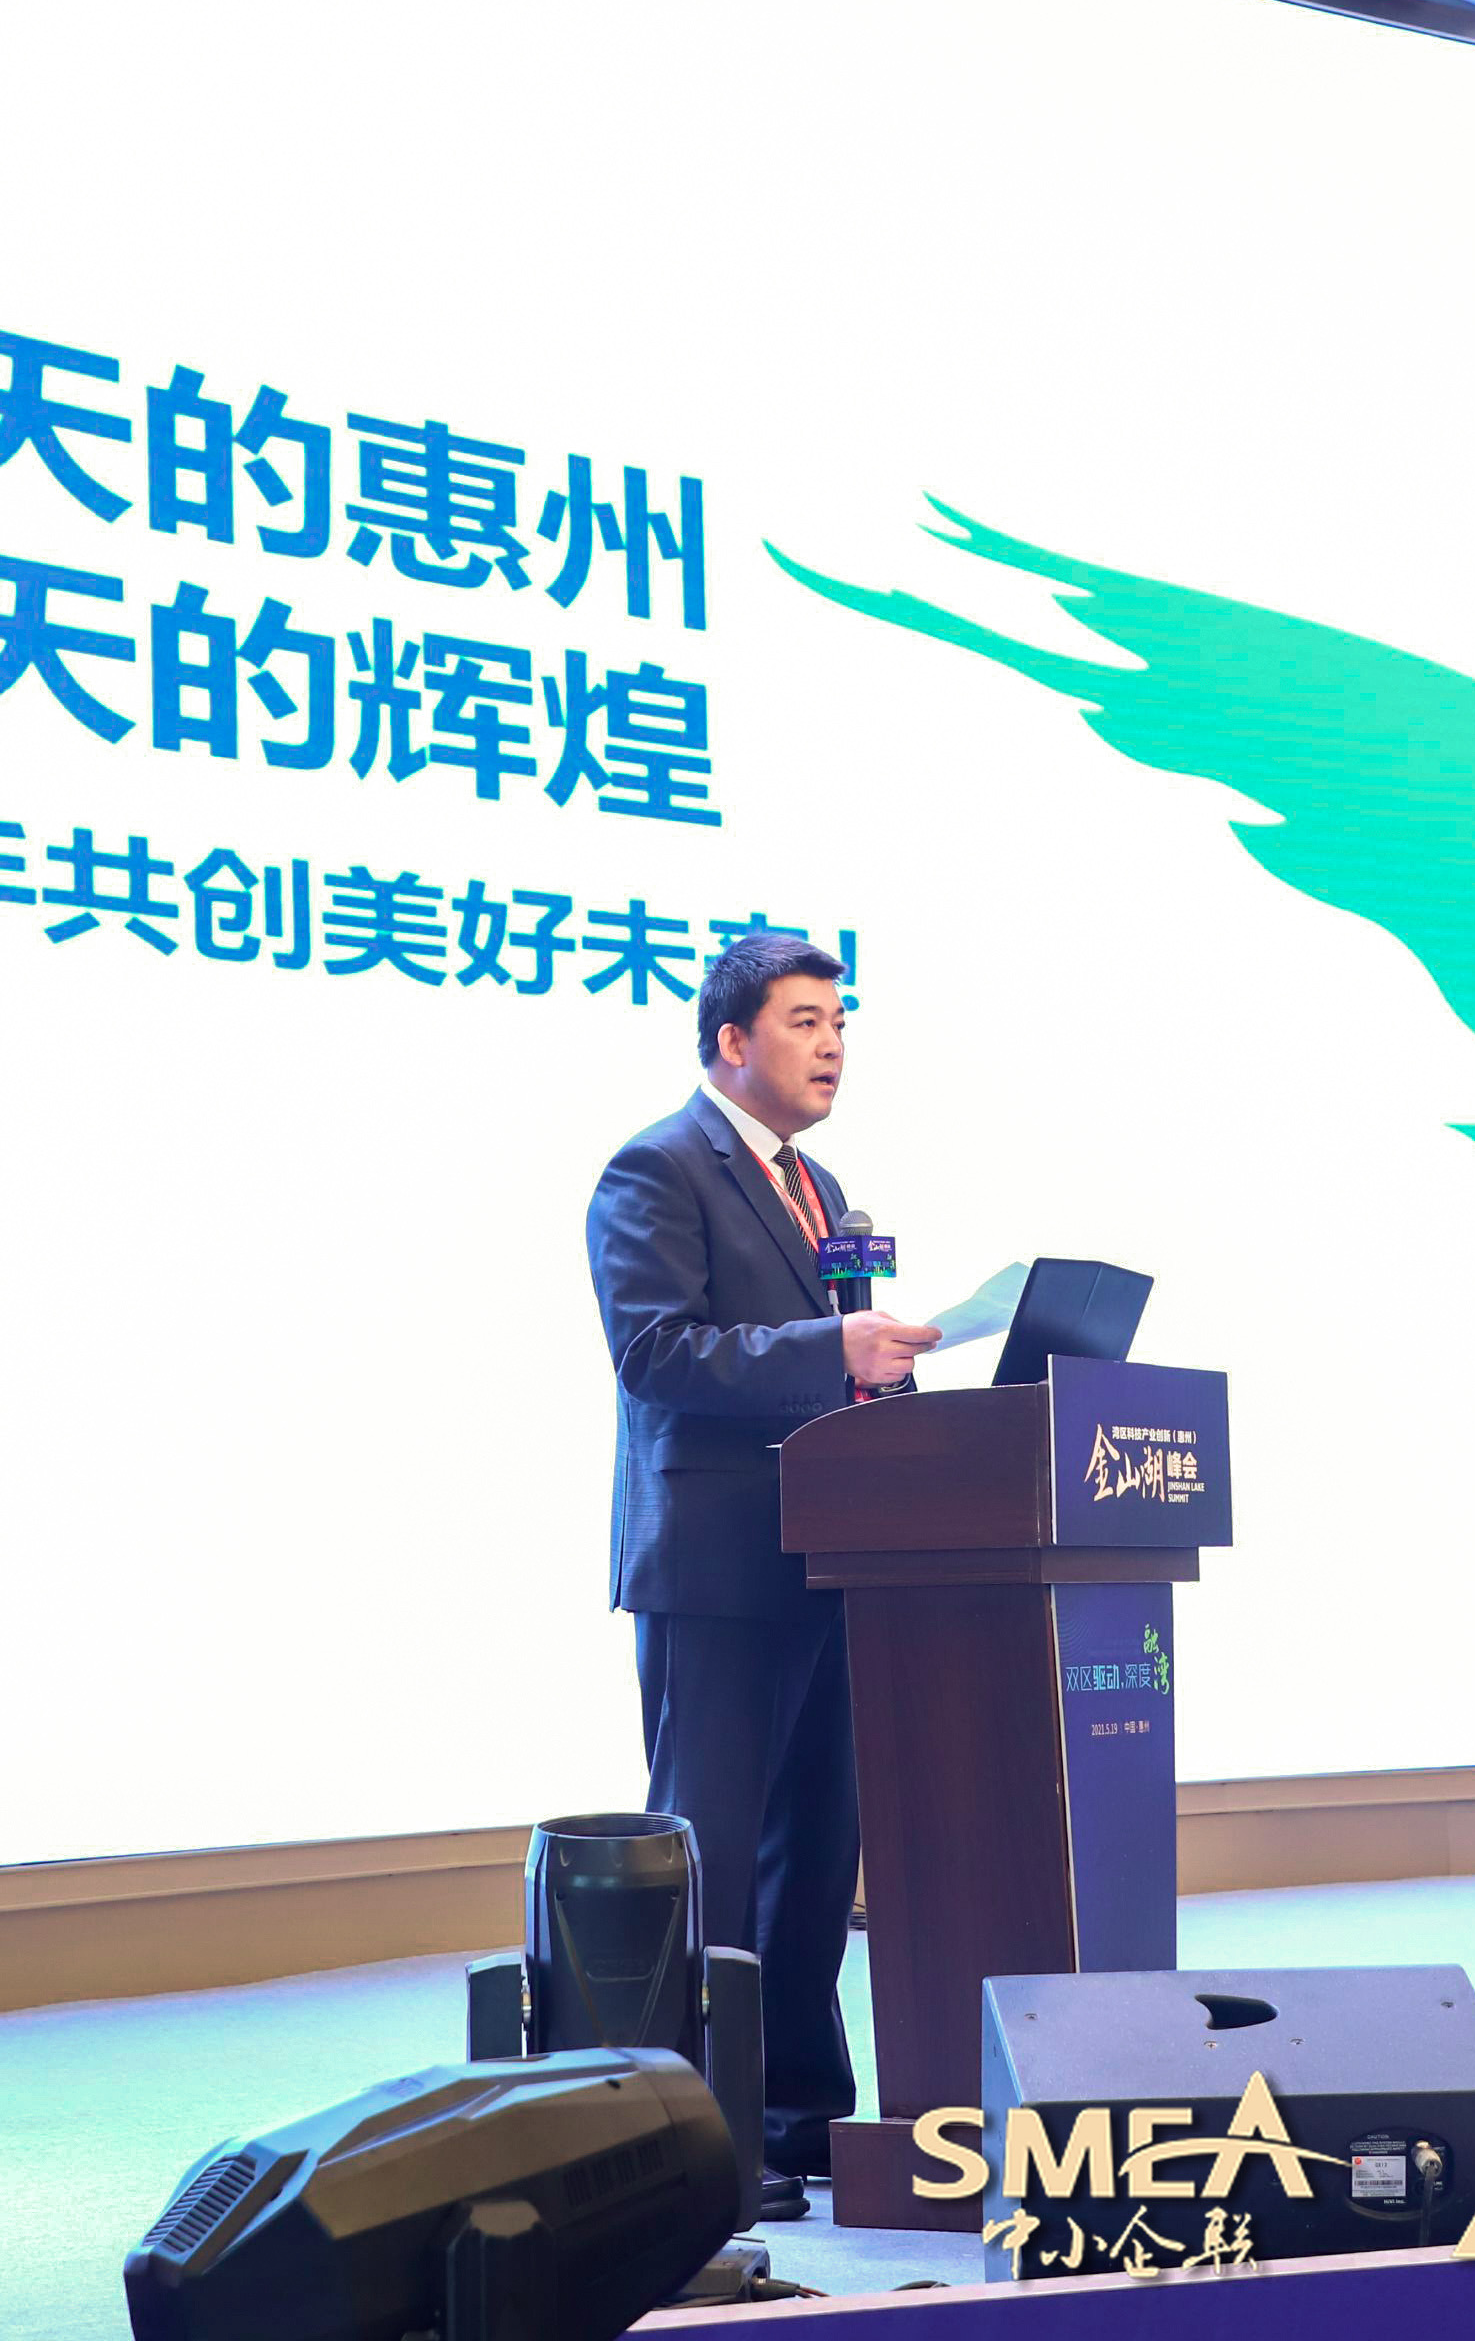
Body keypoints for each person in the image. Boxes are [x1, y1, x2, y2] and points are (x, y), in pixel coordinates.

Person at [585, 934, 941, 2219]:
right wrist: (830, 1346)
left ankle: (799, 2115)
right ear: (732, 1040)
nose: (832, 1044)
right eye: (804, 1021)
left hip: (833, 1558)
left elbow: (822, 1356)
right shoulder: (658, 1167)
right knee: (718, 1859)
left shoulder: (820, 1186)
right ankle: (704, 2136)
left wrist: (880, 1373)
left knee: (815, 1858)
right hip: (717, 1568)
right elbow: (657, 1353)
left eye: (839, 1022)